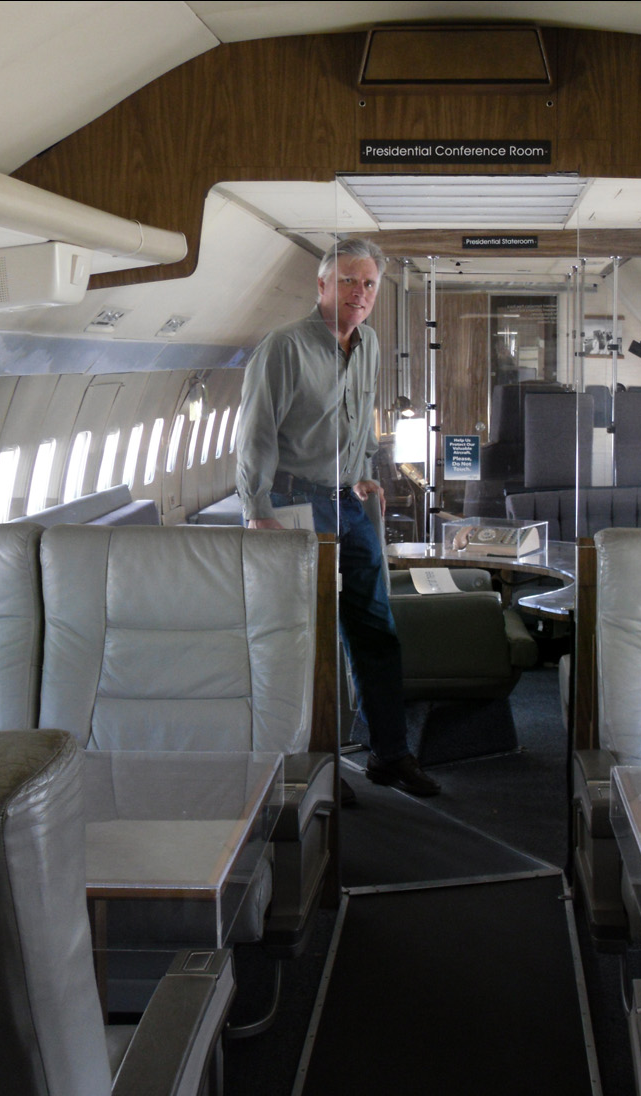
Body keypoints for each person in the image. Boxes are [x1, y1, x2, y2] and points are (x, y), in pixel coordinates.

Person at [235, 237, 441, 798]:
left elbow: (359, 416)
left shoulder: (368, 343)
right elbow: (254, 434)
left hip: (348, 503)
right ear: (322, 286)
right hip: (293, 504)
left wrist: (362, 470)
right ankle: (312, 766)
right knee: (305, 641)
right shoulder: (283, 347)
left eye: (369, 283)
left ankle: (388, 755)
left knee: (376, 630)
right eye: (349, 280)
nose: (360, 292)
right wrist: (256, 510)